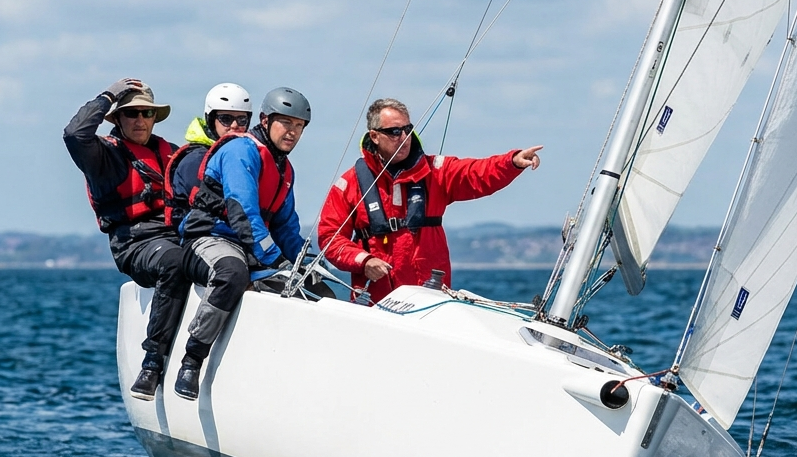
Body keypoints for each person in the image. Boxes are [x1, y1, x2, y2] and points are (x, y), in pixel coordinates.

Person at [317, 98, 542, 302]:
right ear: (374, 136)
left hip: (430, 300)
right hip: (375, 300)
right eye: (395, 131)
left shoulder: (435, 172)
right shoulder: (350, 183)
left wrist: (511, 162)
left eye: (407, 129)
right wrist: (363, 261)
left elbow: (476, 173)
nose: (404, 138)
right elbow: (330, 238)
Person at [173, 87, 314, 400]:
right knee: (231, 273)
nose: (292, 131)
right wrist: (276, 261)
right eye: (285, 123)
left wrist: (305, 264)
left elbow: (286, 227)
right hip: (209, 237)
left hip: (250, 246)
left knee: (315, 288)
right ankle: (192, 358)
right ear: (265, 120)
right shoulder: (241, 151)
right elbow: (242, 212)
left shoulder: (285, 169)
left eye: (299, 126)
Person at [63, 77, 187, 400]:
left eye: (147, 114)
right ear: (118, 118)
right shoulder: (105, 157)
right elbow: (74, 135)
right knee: (174, 261)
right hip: (134, 244)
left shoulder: (170, 154)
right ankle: (153, 363)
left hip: (176, 238)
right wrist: (109, 95)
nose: (140, 121)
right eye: (131, 114)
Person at [163, 83, 254, 231]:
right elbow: (205, 208)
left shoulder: (243, 157)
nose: (235, 125)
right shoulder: (195, 159)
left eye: (242, 119)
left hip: (234, 233)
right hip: (199, 237)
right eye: (226, 119)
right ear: (211, 120)